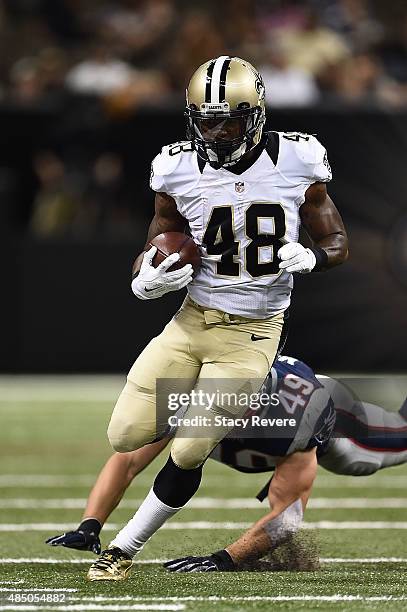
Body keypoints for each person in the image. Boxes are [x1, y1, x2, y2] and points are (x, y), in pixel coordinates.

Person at [84, 55, 348, 579]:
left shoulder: (299, 159)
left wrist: (315, 255)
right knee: (124, 435)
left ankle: (121, 551)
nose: (218, 130)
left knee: (189, 448)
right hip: (190, 322)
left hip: (251, 331)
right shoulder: (175, 166)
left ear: (256, 113)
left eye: (229, 118)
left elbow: (335, 238)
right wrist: (144, 278)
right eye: (206, 119)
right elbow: (156, 242)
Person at [46, 355, 407, 576]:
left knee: (395, 440)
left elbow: (288, 518)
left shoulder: (296, 419)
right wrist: (90, 524)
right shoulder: (190, 396)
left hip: (339, 424)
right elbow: (127, 462)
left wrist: (225, 559)